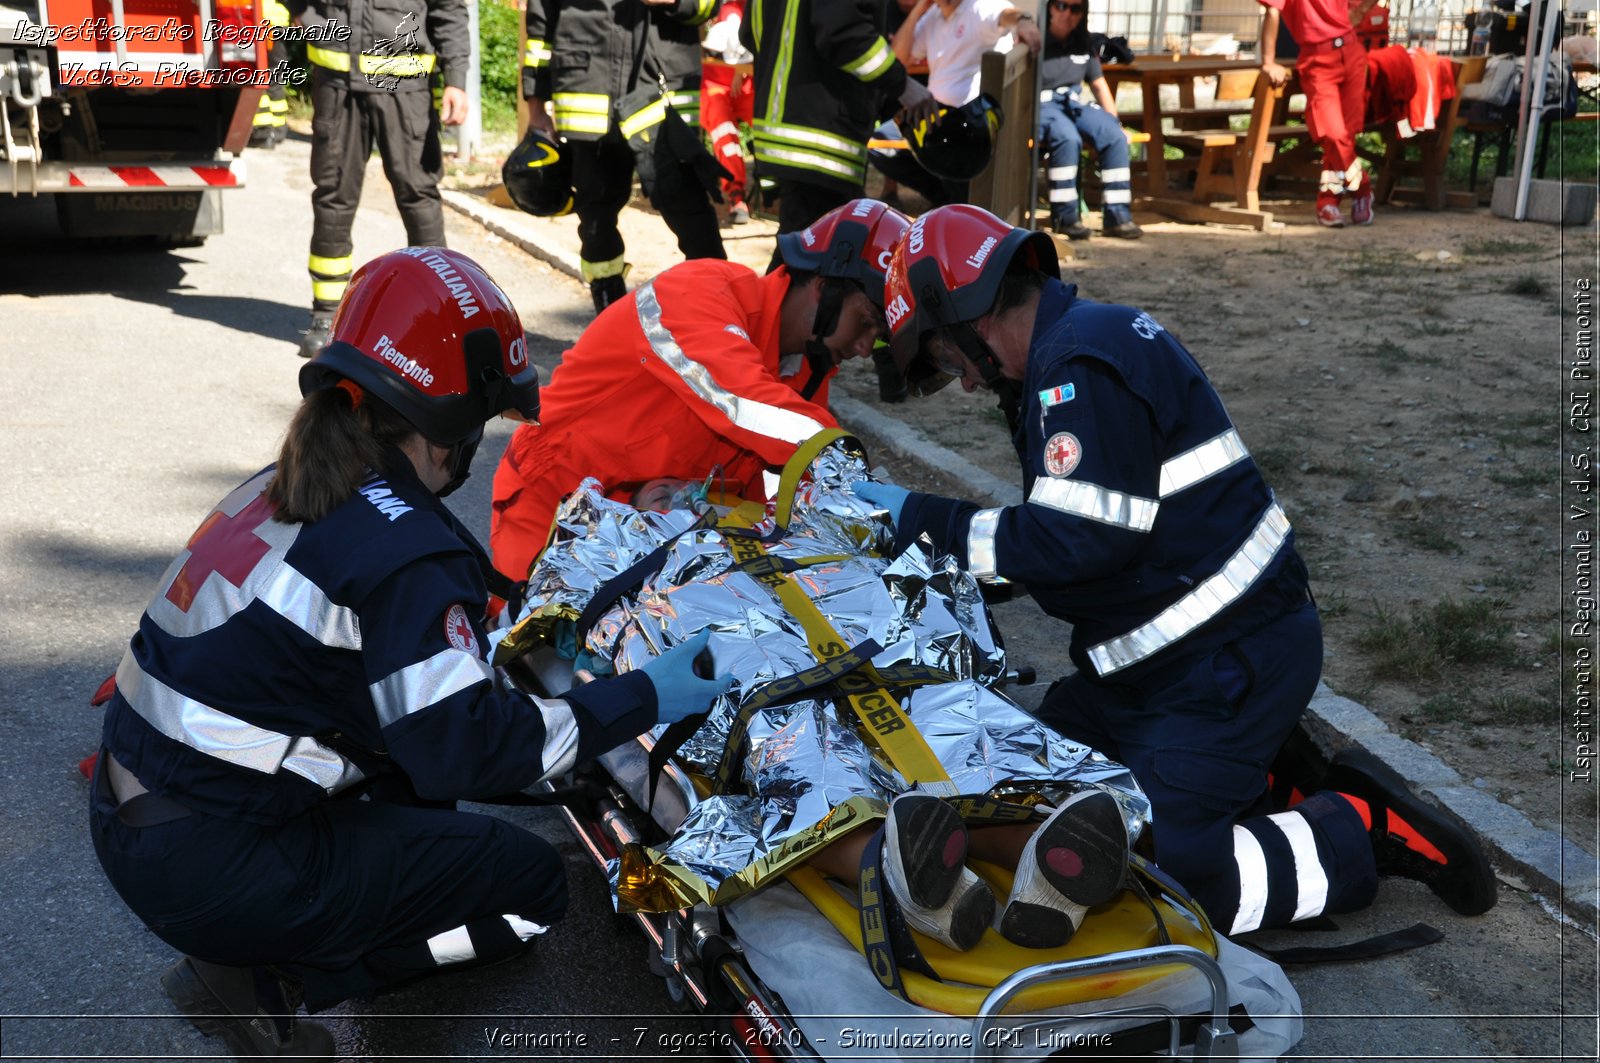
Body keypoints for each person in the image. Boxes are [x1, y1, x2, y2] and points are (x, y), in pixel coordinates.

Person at [90, 248, 733, 1060]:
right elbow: (466, 752)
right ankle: (276, 983)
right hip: (212, 863)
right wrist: (643, 696)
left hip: (133, 810)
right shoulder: (408, 551)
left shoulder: (283, 481)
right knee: (528, 889)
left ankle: (263, 937)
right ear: (452, 420)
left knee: (423, 799)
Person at [849, 204, 1498, 938]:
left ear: (962, 310)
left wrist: (922, 522)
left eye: (941, 357)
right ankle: (1261, 773)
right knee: (1026, 794)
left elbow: (1077, 540)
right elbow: (1092, 540)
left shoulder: (1078, 366)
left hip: (1223, 669)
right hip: (1159, 670)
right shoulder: (1074, 350)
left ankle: (1357, 830)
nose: (961, 381)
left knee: (1159, 883)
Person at [488, 198, 908, 583]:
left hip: (647, 532)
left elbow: (784, 489)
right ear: (825, 287)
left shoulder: (802, 374)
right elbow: (743, 403)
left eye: (879, 335)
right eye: (866, 321)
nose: (865, 347)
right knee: (527, 654)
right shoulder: (699, 292)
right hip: (555, 504)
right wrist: (874, 484)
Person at [291, 0, 472, 359]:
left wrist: (456, 80)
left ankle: (443, 316)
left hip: (404, 88)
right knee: (333, 195)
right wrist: (306, 17)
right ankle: (326, 315)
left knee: (418, 194)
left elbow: (449, 9)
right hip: (338, 84)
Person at [522, 0, 727, 314]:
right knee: (595, 222)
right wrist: (536, 107)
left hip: (661, 88)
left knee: (688, 210)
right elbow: (541, 24)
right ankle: (610, 321)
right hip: (586, 92)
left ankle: (723, 315)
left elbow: (710, 5)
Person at [741, 0, 936, 237]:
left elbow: (749, 33)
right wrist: (902, 85)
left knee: (806, 250)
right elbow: (845, 33)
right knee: (820, 254)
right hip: (822, 137)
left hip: (781, 129)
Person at [878, 0, 1041, 206]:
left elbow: (1006, 14)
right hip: (936, 115)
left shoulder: (979, 6)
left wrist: (1024, 19)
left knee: (952, 156)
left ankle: (953, 203)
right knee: (880, 144)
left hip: (968, 122)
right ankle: (943, 199)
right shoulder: (932, 16)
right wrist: (920, 7)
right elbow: (898, 58)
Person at [1257, 0, 1382, 227]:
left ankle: (1328, 202)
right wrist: (1268, 61)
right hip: (1317, 58)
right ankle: (1362, 188)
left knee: (1346, 135)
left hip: (1351, 51)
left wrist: (1362, 10)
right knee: (1332, 134)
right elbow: (1272, 11)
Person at [1038, 0, 1141, 240]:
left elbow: (1098, 85)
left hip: (1072, 103)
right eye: (1061, 6)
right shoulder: (1037, 40)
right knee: (1067, 138)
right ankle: (1066, 217)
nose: (1067, 14)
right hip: (1042, 106)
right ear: (1050, 8)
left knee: (1114, 136)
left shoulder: (1083, 43)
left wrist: (1116, 123)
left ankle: (1118, 218)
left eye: (1075, 9)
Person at [700, 0, 755, 225]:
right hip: (712, 82)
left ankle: (778, 184)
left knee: (767, 119)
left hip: (747, 78)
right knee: (723, 126)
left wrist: (740, 69)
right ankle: (735, 192)